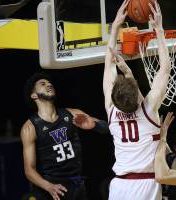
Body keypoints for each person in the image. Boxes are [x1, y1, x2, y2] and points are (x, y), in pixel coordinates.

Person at [103, 0, 171, 199]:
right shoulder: (148, 110)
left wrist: (115, 26)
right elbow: (165, 69)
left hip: (119, 187)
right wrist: (158, 29)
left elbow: (108, 64)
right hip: (145, 185)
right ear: (137, 92)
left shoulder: (111, 110)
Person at [20, 72, 109, 200]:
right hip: (52, 187)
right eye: (42, 84)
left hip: (77, 185)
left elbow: (108, 128)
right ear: (34, 95)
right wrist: (49, 186)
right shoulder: (30, 127)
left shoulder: (72, 114)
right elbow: (29, 170)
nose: (49, 84)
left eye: (49, 83)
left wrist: (94, 125)